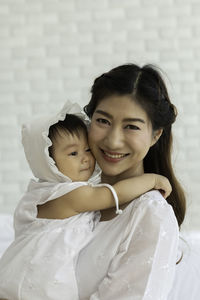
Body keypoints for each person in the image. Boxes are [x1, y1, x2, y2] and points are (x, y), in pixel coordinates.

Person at [0, 101, 171, 300]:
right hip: (35, 288)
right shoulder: (67, 195)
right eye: (73, 153)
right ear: (48, 163)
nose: (85, 158)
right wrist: (152, 179)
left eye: (87, 149)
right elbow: (112, 194)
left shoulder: (41, 193)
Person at [75, 63, 191, 300]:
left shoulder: (151, 216)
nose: (114, 140)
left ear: (155, 135)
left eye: (131, 127)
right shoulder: (76, 193)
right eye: (103, 121)